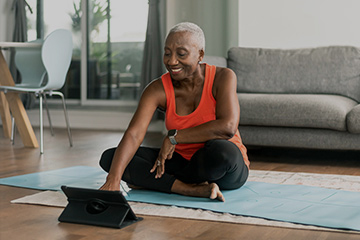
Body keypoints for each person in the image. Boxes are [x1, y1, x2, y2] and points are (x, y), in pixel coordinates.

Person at [99, 22, 250, 202]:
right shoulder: (157, 89)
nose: (171, 61)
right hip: (180, 161)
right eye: (167, 53)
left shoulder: (223, 77)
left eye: (181, 54)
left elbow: (228, 127)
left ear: (200, 54)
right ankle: (187, 189)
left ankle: (158, 182)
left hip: (220, 166)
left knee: (223, 152)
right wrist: (113, 180)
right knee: (111, 158)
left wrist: (174, 137)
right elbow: (134, 134)